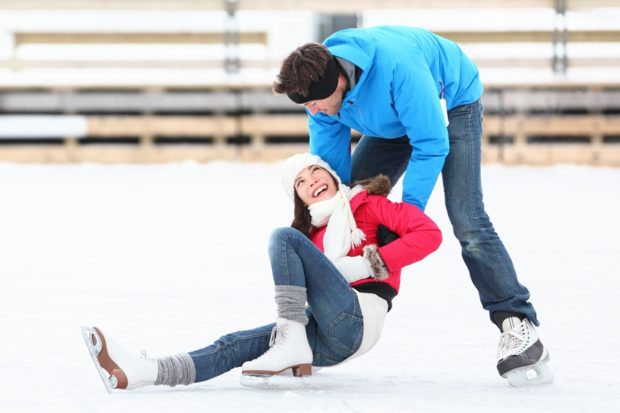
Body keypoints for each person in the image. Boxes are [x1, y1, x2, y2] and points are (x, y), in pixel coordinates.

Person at [273, 25, 553, 386]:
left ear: (338, 82)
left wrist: (409, 214)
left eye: (315, 103)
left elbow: (431, 143)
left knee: (467, 218)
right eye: (307, 105)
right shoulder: (317, 86)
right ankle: (340, 308)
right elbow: (334, 181)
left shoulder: (398, 68)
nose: (313, 111)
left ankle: (517, 322)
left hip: (452, 103)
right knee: (351, 203)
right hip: (394, 120)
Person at [82, 153, 442, 391]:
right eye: (300, 182)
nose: (311, 180)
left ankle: (291, 339)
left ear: (331, 174)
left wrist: (367, 264)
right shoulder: (310, 238)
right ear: (300, 199)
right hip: (330, 340)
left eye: (315, 169)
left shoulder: (370, 205)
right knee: (234, 344)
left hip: (361, 316)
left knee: (282, 238)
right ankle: (147, 372)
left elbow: (430, 234)